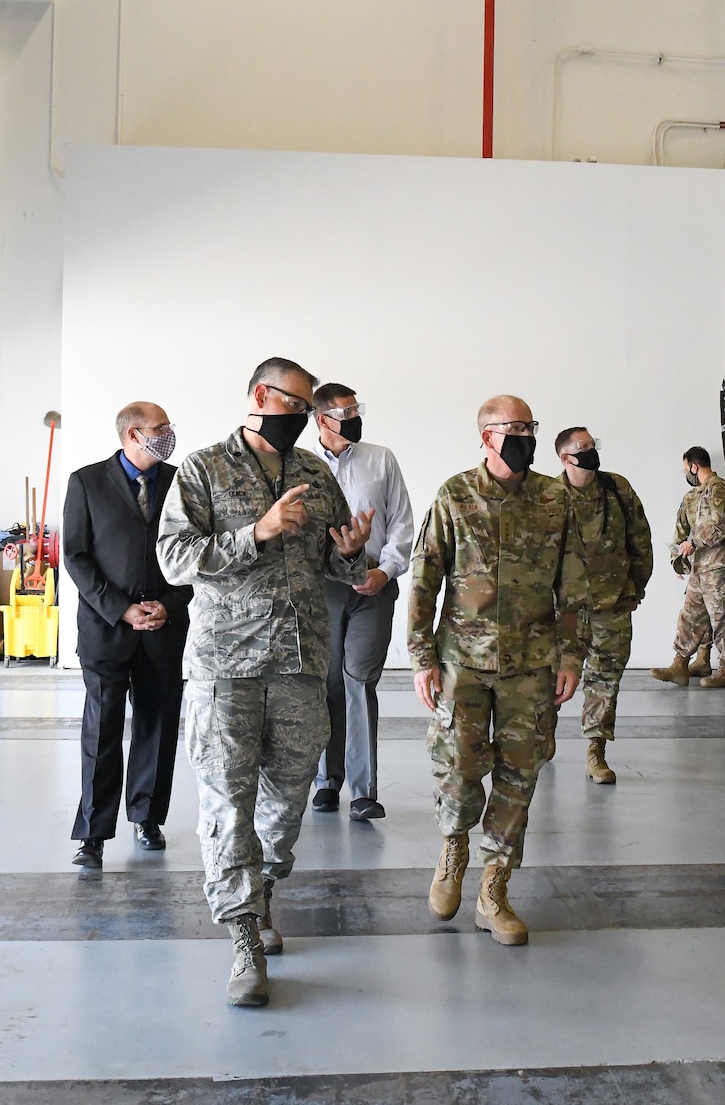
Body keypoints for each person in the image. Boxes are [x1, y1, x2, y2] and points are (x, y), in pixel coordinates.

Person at [157, 357, 375, 1009]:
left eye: (313, 410)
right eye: (300, 405)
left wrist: (350, 550)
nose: (308, 419)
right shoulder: (202, 470)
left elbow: (341, 567)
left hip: (300, 665)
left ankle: (264, 887)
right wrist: (256, 532)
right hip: (225, 669)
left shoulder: (314, 473)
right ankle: (245, 938)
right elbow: (173, 560)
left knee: (285, 805)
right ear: (261, 396)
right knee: (226, 804)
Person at [407, 395, 586, 946]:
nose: (526, 436)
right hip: (462, 662)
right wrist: (421, 656)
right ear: (486, 436)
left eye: (531, 427)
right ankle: (454, 846)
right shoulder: (456, 495)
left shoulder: (555, 498)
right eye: (515, 428)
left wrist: (573, 655)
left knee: (520, 773)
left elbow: (574, 584)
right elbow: (423, 577)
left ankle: (495, 888)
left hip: (531, 665)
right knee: (458, 767)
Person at [62, 401, 193, 868]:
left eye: (168, 428)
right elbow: (76, 556)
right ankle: (93, 834)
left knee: (157, 727)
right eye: (159, 429)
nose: (168, 435)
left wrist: (168, 605)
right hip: (106, 631)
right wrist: (121, 609)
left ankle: (147, 817)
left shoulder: (182, 482)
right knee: (102, 731)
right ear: (132, 435)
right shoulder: (86, 482)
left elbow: (194, 554)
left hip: (163, 627)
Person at [307, 383, 415, 822]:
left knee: (359, 680)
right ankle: (326, 782)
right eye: (344, 411)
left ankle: (363, 791)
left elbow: (403, 521)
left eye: (356, 409)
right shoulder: (302, 466)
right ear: (321, 419)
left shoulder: (381, 458)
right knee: (326, 681)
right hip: (323, 587)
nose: (354, 416)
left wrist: (384, 571)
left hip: (373, 583)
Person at [553, 425, 652, 785]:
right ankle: (543, 734)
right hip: (562, 610)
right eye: (584, 447)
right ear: (565, 457)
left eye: (594, 445)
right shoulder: (548, 496)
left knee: (605, 679)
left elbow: (641, 540)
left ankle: (595, 751)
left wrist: (634, 589)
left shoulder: (616, 488)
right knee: (551, 677)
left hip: (612, 605)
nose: (592, 451)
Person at [651, 445, 725, 689]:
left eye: (686, 469)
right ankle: (679, 665)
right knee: (690, 617)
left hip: (719, 567)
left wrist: (694, 542)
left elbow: (721, 526)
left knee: (722, 619)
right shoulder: (697, 495)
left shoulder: (718, 489)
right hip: (700, 568)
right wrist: (679, 558)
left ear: (695, 466)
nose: (687, 474)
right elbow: (683, 531)